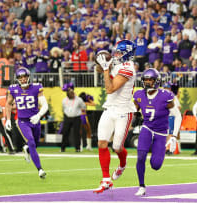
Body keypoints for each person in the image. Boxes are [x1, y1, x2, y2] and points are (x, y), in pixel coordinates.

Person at [93, 40, 136, 194]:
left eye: (120, 52)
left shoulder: (129, 68)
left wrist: (105, 69)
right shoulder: (118, 65)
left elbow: (110, 88)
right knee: (102, 142)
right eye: (116, 52)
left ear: (128, 54)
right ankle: (106, 180)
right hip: (110, 108)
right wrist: (100, 61)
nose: (117, 54)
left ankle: (122, 164)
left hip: (124, 111)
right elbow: (102, 69)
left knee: (117, 146)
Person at [133, 69, 178, 196]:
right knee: (141, 156)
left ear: (156, 81)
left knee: (156, 165)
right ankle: (141, 186)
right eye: (145, 79)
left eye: (150, 80)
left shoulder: (165, 96)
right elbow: (133, 110)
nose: (147, 82)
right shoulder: (139, 95)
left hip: (161, 132)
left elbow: (178, 115)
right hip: (147, 128)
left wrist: (173, 136)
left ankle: (156, 149)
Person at [5, 67, 48, 179]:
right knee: (32, 142)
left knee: (35, 144)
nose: (23, 79)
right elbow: (8, 104)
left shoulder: (36, 87)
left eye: (24, 77)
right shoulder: (13, 89)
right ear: (17, 79)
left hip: (35, 120)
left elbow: (45, 105)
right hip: (23, 121)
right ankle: (40, 169)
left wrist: (38, 115)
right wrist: (8, 119)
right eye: (20, 77)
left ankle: (27, 149)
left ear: (29, 77)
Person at [60, 82, 86, 152]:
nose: (72, 94)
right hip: (67, 117)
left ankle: (77, 148)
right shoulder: (64, 100)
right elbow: (63, 108)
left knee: (76, 133)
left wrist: (81, 111)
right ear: (67, 95)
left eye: (73, 93)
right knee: (65, 132)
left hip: (76, 117)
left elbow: (84, 106)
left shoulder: (79, 99)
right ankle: (63, 148)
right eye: (70, 94)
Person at [163, 82, 182, 155]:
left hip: (171, 116)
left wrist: (174, 110)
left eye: (167, 88)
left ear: (170, 89)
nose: (166, 90)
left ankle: (169, 148)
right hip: (163, 117)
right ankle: (165, 148)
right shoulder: (161, 96)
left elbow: (179, 107)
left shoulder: (173, 97)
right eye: (165, 88)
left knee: (170, 133)